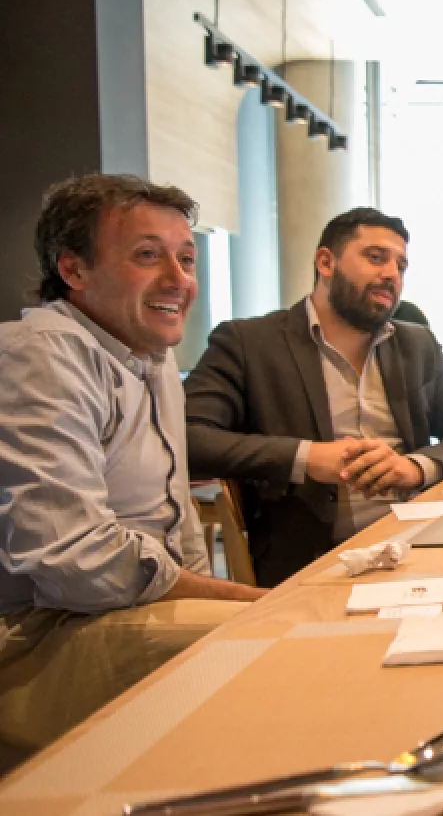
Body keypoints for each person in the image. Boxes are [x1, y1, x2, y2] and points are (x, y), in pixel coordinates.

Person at [0, 175, 265, 772]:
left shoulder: (154, 360)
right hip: (40, 633)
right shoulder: (41, 352)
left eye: (186, 259)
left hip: (118, 616)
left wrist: (235, 598)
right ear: (74, 269)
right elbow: (75, 563)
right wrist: (250, 601)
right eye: (148, 255)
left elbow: (179, 531)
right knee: (280, 646)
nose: (179, 279)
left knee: (303, 632)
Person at [184, 208, 443, 586]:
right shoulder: (248, 343)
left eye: (401, 266)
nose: (391, 274)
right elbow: (189, 438)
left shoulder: (416, 345)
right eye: (376, 258)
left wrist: (415, 467)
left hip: (420, 548)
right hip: (314, 564)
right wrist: (307, 457)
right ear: (326, 262)